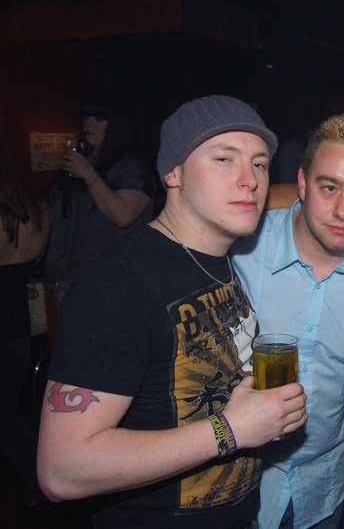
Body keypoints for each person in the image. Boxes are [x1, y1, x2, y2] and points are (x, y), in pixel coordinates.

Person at [37, 94, 308, 528]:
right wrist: (230, 430)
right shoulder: (117, 286)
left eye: (259, 164)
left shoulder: (217, 259)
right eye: (224, 159)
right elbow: (62, 470)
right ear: (172, 172)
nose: (250, 180)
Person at [230, 113, 344, 528]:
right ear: (303, 183)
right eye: (329, 187)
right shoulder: (240, 249)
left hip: (321, 490)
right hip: (233, 485)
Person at [45, 94, 155, 306]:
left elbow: (123, 215)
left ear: (116, 124)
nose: (89, 123)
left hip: (110, 280)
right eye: (86, 117)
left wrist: (87, 173)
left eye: (99, 118)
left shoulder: (132, 165)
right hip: (67, 274)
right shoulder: (83, 160)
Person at [0, 140, 50, 504]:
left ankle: (43, 486)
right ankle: (44, 485)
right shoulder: (38, 214)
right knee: (9, 414)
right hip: (20, 333)